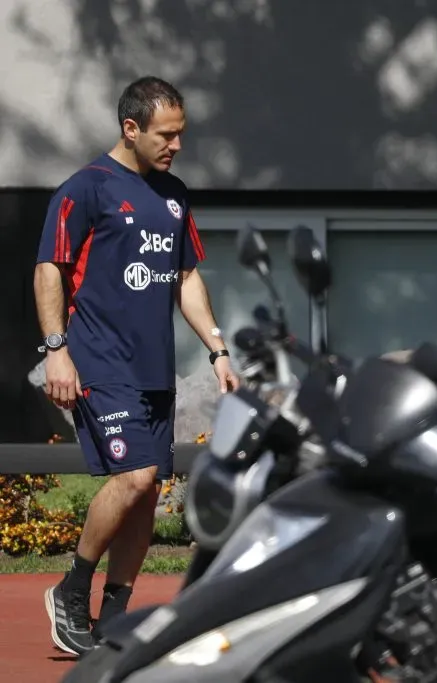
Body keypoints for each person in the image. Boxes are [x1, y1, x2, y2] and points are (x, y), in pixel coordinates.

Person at [34, 76, 240, 656]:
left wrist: (218, 349)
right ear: (131, 128)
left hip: (155, 369)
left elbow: (186, 277)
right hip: (99, 361)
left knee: (148, 495)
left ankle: (114, 617)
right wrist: (57, 350)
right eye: (166, 134)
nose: (176, 145)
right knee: (135, 479)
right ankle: (71, 592)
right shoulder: (86, 188)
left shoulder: (173, 193)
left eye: (181, 134)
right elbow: (50, 268)